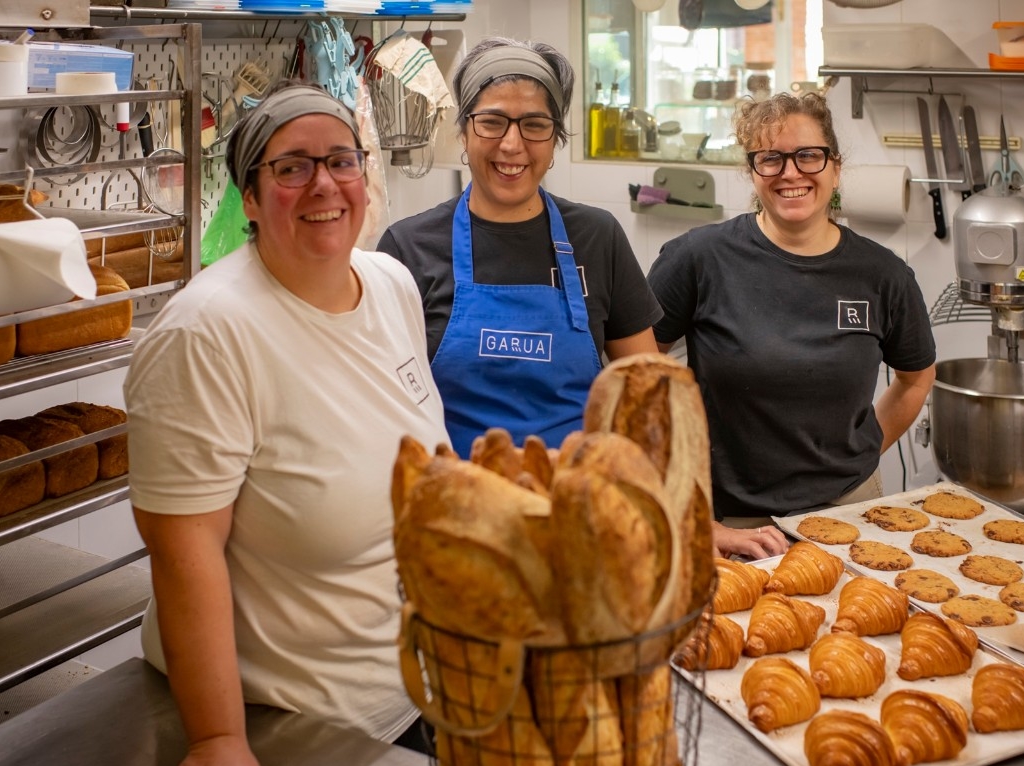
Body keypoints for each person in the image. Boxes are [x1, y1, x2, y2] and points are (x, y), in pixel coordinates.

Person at [124, 82, 449, 766]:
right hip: (300, 723)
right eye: (292, 168)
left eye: (340, 161)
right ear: (250, 195)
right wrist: (216, 741)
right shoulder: (210, 332)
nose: (324, 185)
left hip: (417, 687)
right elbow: (183, 548)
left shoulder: (390, 285)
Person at [648, 91, 936, 561]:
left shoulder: (883, 275)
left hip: (851, 512)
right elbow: (632, 379)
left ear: (835, 167)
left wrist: (858, 456)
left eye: (808, 156)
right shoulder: (697, 260)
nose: (790, 172)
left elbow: (917, 378)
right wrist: (685, 508)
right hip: (731, 521)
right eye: (771, 159)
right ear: (752, 171)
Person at [377, 37, 663, 458]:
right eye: (492, 122)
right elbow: (381, 405)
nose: (512, 145)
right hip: (451, 500)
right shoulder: (408, 247)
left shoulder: (598, 237)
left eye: (534, 124)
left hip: (575, 501)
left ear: (554, 141)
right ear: (463, 130)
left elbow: (648, 400)